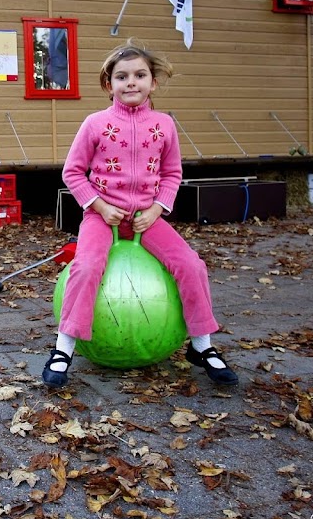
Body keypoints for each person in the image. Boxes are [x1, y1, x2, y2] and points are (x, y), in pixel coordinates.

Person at [43, 40, 238, 388]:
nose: (131, 82)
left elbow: (172, 174)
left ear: (153, 82)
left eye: (139, 75)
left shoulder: (164, 125)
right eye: (122, 76)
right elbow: (72, 172)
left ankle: (202, 346)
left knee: (191, 264)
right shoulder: (95, 123)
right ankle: (63, 349)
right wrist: (100, 206)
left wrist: (158, 208)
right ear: (109, 85)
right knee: (86, 266)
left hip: (148, 219)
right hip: (103, 218)